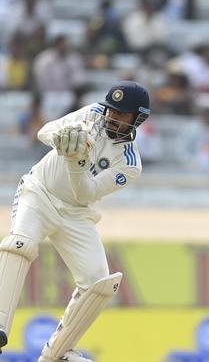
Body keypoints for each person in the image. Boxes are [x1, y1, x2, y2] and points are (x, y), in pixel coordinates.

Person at [0, 81, 151, 362]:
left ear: (137, 119)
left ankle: (55, 353)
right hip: (40, 193)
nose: (113, 117)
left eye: (122, 115)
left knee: (100, 284)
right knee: (20, 244)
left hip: (76, 213)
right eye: (112, 111)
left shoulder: (129, 164)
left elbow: (85, 192)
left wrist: (76, 160)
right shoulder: (93, 113)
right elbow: (45, 131)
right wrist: (63, 136)